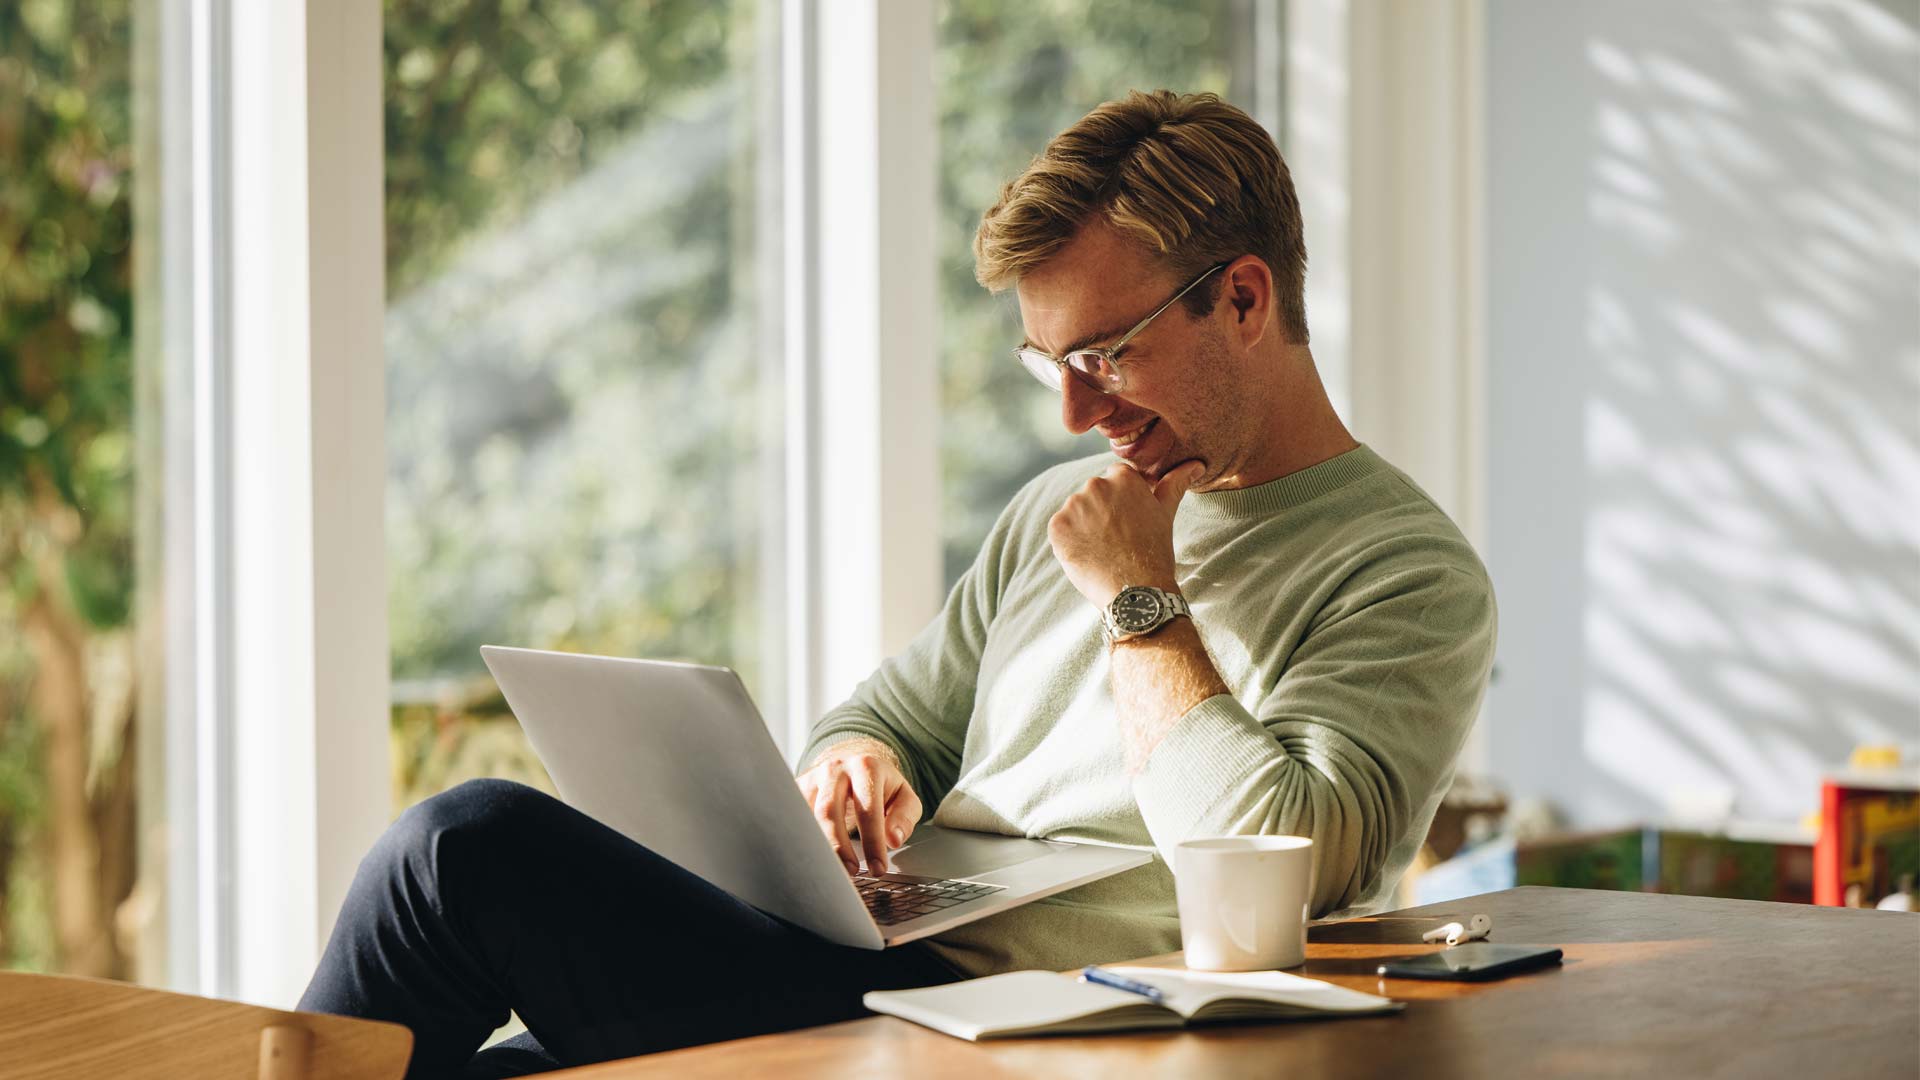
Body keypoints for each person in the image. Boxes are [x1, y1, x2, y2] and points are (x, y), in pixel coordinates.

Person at [300, 89, 1496, 1079]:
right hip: (871, 971)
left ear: (1243, 298)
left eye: (1104, 354)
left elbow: (1274, 850)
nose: (1078, 413)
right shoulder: (1052, 518)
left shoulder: (1406, 574)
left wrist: (1141, 599)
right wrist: (849, 770)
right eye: (1049, 367)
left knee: (461, 850)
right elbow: (888, 719)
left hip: (1042, 1028)